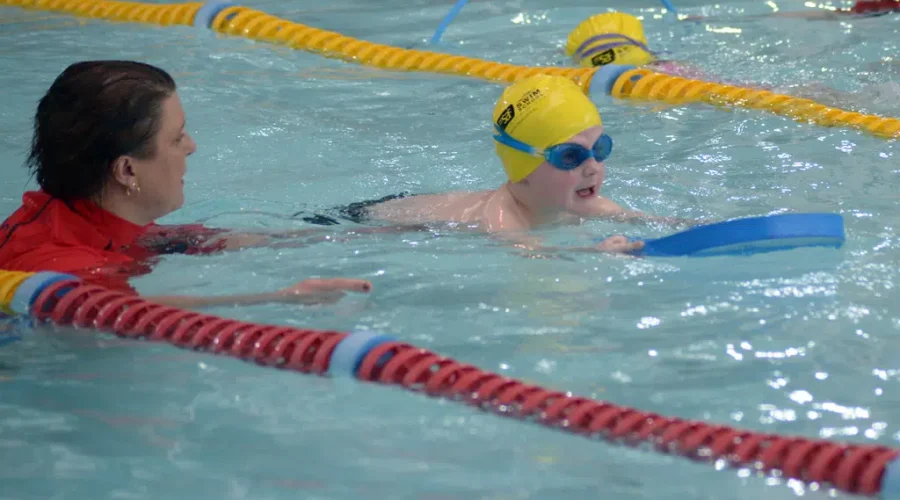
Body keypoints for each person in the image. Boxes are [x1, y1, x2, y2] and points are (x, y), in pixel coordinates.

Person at [0, 60, 372, 308]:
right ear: (127, 171)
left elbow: (159, 244)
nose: (192, 147)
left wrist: (368, 227)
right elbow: (122, 316)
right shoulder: (66, 268)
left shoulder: (82, 211)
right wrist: (280, 298)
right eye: (177, 138)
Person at [339, 74, 696, 255]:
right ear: (521, 170)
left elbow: (647, 222)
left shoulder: (582, 201)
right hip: (371, 220)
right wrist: (594, 253)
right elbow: (536, 258)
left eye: (598, 149)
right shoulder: (502, 218)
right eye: (570, 156)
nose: (592, 167)